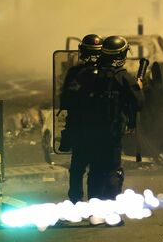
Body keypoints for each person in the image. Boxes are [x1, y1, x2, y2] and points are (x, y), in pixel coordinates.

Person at [60, 35, 144, 207]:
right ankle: (110, 210)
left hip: (85, 132)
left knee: (90, 171)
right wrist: (138, 88)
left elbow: (67, 101)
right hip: (111, 135)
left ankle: (88, 207)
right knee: (111, 171)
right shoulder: (122, 77)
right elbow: (139, 103)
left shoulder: (83, 75)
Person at [59, 34, 103, 203]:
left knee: (77, 169)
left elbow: (65, 101)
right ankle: (95, 203)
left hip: (81, 129)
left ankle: (76, 203)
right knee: (97, 170)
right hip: (101, 130)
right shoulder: (110, 74)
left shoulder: (75, 73)